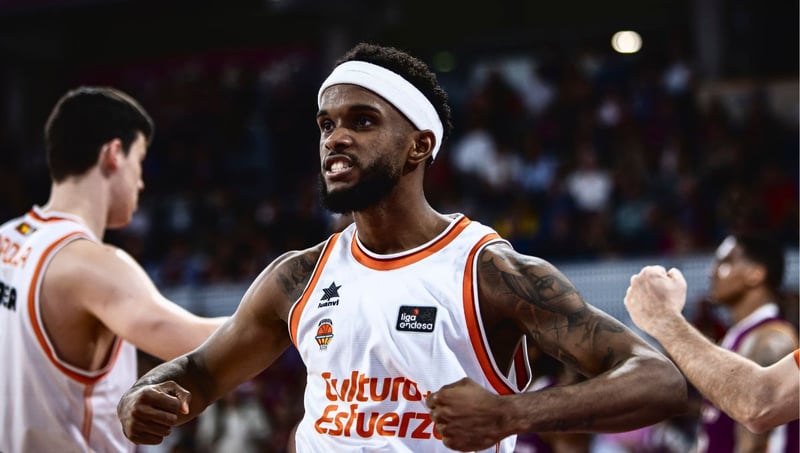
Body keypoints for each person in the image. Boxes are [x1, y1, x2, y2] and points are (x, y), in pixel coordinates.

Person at [117, 42, 687, 453]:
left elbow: (658, 380)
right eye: (326, 125)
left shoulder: (489, 271)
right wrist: (141, 395)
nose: (336, 138)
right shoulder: (297, 277)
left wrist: (509, 414)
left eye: (362, 121)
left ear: (418, 146)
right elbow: (199, 372)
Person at [0, 86, 227, 453]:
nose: (141, 182)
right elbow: (202, 342)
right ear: (114, 154)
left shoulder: (7, 236)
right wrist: (295, 310)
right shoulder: (90, 263)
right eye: (139, 161)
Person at [624, 235, 799, 452]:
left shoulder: (771, 339)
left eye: (725, 262)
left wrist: (664, 319)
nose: (712, 271)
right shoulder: (739, 335)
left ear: (756, 273)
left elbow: (755, 433)